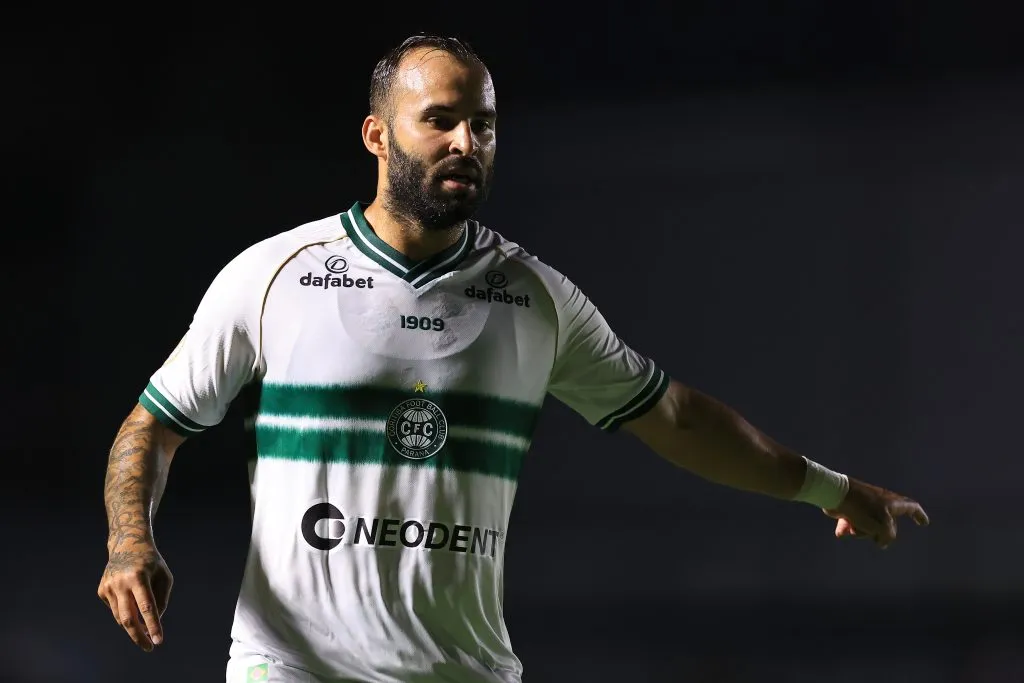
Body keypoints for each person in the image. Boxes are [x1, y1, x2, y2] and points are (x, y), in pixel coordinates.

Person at [96, 34, 930, 683]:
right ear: (376, 135)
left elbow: (676, 417)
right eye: (442, 120)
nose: (467, 140)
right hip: (292, 667)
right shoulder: (274, 275)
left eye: (484, 125)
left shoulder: (534, 297)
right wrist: (130, 543)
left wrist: (833, 485)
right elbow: (153, 426)